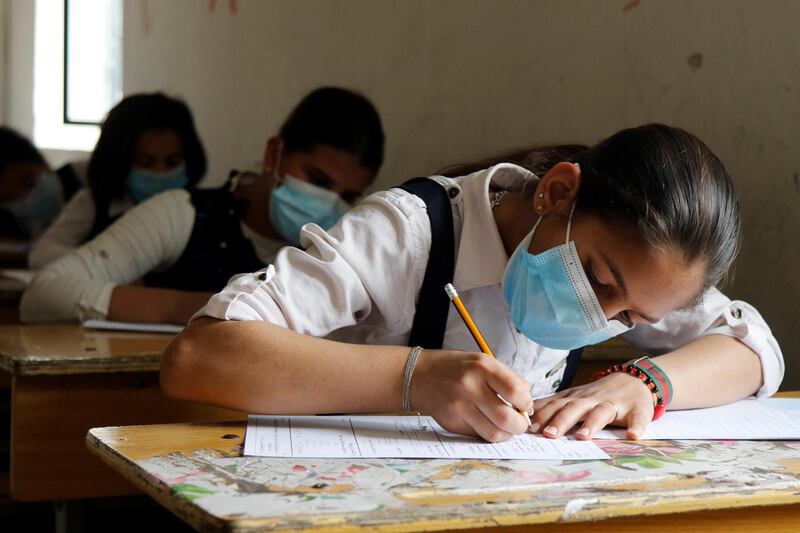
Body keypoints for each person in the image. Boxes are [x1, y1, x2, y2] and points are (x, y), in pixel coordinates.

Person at [159, 123, 783, 443]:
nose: (601, 317)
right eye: (596, 279)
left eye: (630, 319)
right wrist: (416, 378)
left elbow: (754, 349)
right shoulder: (410, 233)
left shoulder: (647, 275)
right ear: (557, 192)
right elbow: (199, 355)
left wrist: (647, 381)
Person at [20, 86, 385, 325]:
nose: (329, 204)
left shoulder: (348, 252)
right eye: (318, 181)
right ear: (274, 153)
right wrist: (215, 307)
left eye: (348, 196)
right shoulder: (185, 214)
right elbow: (45, 293)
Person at [28, 93, 207, 269]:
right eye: (145, 162)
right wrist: (104, 263)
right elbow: (42, 254)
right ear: (118, 161)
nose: (160, 172)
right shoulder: (93, 203)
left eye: (172, 162)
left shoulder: (203, 208)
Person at [0, 127, 85, 248]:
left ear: (44, 163)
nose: (26, 199)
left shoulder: (84, 178)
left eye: (29, 184)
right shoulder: (13, 225)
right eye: (10, 198)